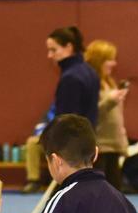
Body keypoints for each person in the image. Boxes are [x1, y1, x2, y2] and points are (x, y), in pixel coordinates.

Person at [24, 26, 100, 193]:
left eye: (53, 50)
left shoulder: (71, 77)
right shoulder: (90, 72)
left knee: (66, 195)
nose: (50, 55)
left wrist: (55, 145)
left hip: (71, 147)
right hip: (88, 138)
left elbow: (66, 121)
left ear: (69, 47)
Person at [84, 39, 130, 189]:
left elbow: (117, 117)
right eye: (110, 59)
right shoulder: (92, 83)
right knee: (100, 188)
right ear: (99, 60)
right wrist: (110, 101)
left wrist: (122, 141)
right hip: (100, 146)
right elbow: (90, 114)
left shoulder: (109, 82)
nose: (114, 63)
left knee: (115, 188)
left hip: (113, 145)